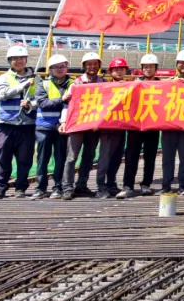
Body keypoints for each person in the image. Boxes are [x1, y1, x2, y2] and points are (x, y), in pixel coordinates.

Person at [0, 44, 36, 200]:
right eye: (15, 58)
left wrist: (30, 105)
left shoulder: (36, 79)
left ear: (26, 60)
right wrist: (23, 85)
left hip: (27, 126)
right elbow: (2, 95)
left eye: (21, 58)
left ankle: (20, 188)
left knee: (25, 160)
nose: (18, 61)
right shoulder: (3, 78)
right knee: (3, 159)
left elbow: (41, 100)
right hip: (6, 126)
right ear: (9, 61)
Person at [61, 52, 104, 201]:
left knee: (88, 157)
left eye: (95, 64)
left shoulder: (104, 83)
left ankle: (81, 185)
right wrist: (63, 122)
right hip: (77, 126)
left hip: (94, 127)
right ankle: (67, 188)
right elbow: (67, 105)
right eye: (89, 64)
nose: (92, 67)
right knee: (72, 157)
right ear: (84, 66)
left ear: (99, 66)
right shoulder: (76, 84)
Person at [120, 53, 162, 198]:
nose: (148, 69)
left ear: (156, 68)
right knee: (131, 156)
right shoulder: (134, 84)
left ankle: (146, 184)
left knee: (150, 157)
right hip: (135, 126)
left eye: (151, 67)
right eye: (145, 67)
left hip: (152, 126)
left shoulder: (162, 85)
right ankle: (128, 186)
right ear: (141, 68)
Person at [31, 55, 71, 200]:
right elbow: (42, 103)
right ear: (50, 69)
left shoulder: (73, 84)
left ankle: (58, 188)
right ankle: (41, 188)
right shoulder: (43, 84)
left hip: (63, 128)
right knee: (42, 160)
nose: (59, 69)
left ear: (66, 67)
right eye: (56, 67)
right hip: (44, 127)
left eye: (62, 66)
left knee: (61, 159)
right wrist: (62, 99)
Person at [161, 50, 184, 196]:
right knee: (167, 158)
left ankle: (182, 185)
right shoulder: (168, 82)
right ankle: (166, 185)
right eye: (181, 63)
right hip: (169, 126)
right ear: (177, 64)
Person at [94, 57, 130, 198]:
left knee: (116, 157)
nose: (119, 72)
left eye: (121, 69)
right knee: (105, 158)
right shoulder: (105, 86)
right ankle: (100, 187)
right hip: (107, 129)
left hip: (121, 128)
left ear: (126, 71)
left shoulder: (130, 86)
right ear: (110, 71)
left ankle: (111, 184)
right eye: (116, 69)